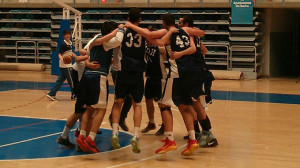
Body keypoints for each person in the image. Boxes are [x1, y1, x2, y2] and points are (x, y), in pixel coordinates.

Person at [56, 25, 123, 149]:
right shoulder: (99, 41)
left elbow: (86, 54)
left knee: (87, 109)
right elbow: (82, 56)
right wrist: (82, 61)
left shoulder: (97, 42)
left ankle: (74, 134)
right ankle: (80, 135)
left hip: (87, 77)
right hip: (84, 78)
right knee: (83, 110)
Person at [75, 22, 125, 153]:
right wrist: (120, 29)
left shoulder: (95, 39)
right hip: (98, 77)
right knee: (101, 109)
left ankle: (82, 134)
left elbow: (87, 50)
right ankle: (90, 138)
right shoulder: (106, 42)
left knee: (89, 108)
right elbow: (118, 40)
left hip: (87, 76)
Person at [178, 15, 218, 147]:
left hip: (197, 71)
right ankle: (200, 133)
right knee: (193, 102)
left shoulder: (189, 34)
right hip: (198, 70)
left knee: (196, 103)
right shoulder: (194, 34)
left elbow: (194, 49)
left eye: (180, 23)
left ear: (187, 24)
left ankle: (209, 135)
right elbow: (204, 50)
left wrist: (181, 54)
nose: (179, 25)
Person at [110, 7, 146, 153]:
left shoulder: (122, 30)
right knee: (137, 104)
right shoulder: (143, 33)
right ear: (139, 19)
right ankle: (136, 136)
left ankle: (115, 133)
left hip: (123, 70)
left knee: (118, 102)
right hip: (137, 71)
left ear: (128, 18)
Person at [141, 26, 165, 136]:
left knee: (161, 102)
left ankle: (165, 124)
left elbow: (167, 54)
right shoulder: (145, 47)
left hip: (160, 77)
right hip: (150, 77)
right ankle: (151, 122)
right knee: (148, 100)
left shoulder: (160, 47)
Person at [46, 29, 76, 101]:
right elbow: (59, 54)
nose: (68, 35)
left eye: (69, 34)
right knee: (71, 81)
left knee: (60, 81)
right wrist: (62, 59)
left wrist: (76, 57)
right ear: (64, 36)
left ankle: (51, 94)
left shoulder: (70, 43)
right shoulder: (63, 44)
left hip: (67, 65)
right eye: (66, 34)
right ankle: (73, 95)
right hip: (66, 66)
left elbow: (70, 53)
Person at [108, 45, 131, 132]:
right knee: (120, 97)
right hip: (118, 70)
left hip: (129, 70)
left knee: (130, 97)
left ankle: (121, 118)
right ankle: (114, 118)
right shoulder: (119, 34)